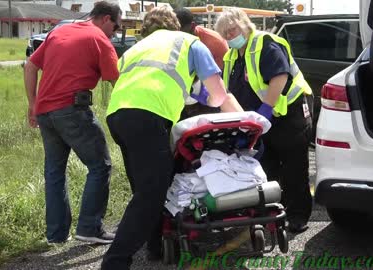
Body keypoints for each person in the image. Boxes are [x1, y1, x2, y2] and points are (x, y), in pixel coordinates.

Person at [101, 7, 243, 269]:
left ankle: (156, 247)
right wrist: (206, 99)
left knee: (144, 188)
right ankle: (115, 262)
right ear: (177, 26)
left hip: (117, 116)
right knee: (152, 192)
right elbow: (219, 95)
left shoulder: (137, 48)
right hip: (147, 116)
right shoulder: (189, 42)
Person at [23, 1, 122, 244]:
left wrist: (32, 104)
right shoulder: (100, 40)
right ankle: (90, 228)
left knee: (55, 172)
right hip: (72, 111)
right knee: (100, 165)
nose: (115, 33)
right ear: (107, 19)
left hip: (45, 112)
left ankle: (56, 235)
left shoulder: (59, 31)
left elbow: (30, 66)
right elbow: (117, 82)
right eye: (117, 27)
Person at [215, 8, 313, 233]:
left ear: (245, 24)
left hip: (288, 115)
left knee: (293, 167)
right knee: (266, 167)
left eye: (233, 30)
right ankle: (273, 213)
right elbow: (229, 90)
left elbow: (280, 76)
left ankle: (298, 215)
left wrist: (266, 109)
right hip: (259, 122)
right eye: (225, 33)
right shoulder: (232, 56)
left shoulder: (264, 43)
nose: (230, 35)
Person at [175, 7, 229, 119]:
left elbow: (221, 77)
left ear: (193, 26)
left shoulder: (215, 42)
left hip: (207, 95)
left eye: (181, 30)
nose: (177, 35)